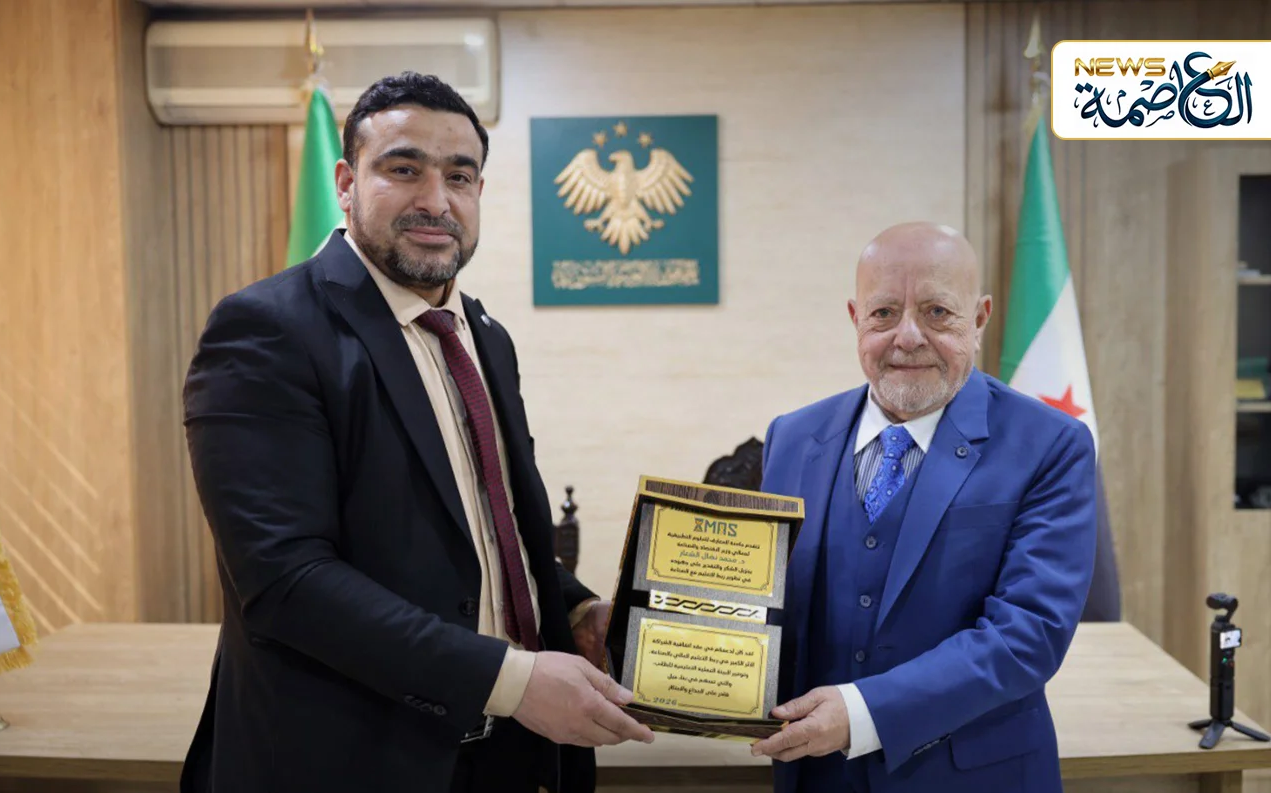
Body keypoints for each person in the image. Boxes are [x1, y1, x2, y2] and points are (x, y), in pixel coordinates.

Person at [179, 72, 653, 793]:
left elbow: (490, 533)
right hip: (350, 765)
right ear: (346, 183)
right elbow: (285, 581)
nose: (436, 199)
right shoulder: (268, 329)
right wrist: (512, 679)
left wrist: (579, 610)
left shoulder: (483, 336)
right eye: (404, 169)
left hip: (511, 758)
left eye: (458, 176)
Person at [751, 222, 1096, 793]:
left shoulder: (1052, 445)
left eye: (937, 312)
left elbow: (1028, 634)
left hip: (975, 779)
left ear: (979, 318)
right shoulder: (791, 437)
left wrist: (862, 713)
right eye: (884, 313)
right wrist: (671, 637)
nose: (908, 336)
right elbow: (764, 599)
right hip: (815, 776)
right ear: (855, 318)